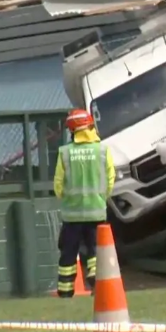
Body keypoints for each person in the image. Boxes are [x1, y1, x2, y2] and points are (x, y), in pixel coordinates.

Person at [53, 108, 115, 298]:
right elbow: (110, 179)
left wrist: (68, 199)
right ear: (89, 126)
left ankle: (65, 292)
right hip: (96, 212)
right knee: (96, 252)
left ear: (72, 131)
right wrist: (100, 198)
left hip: (72, 214)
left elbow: (58, 185)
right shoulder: (103, 150)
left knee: (68, 253)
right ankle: (98, 288)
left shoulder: (65, 153)